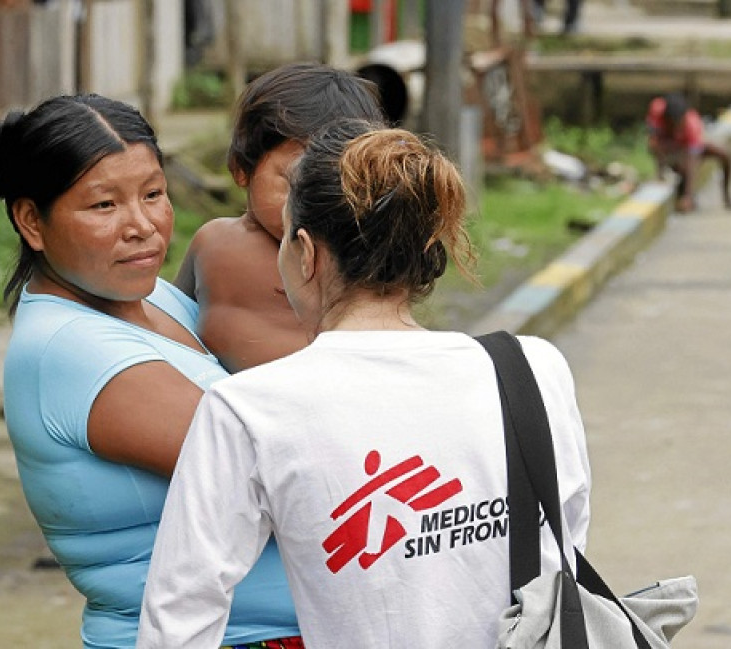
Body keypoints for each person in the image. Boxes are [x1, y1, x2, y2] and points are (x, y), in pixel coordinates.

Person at [137, 120, 592, 648]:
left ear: (306, 252)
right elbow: (565, 555)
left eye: (284, 238)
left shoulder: (250, 409)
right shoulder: (531, 370)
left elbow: (180, 617)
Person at [0, 94, 300, 649]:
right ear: (31, 221)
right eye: (103, 206)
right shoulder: (72, 350)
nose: (142, 226)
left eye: (153, 194)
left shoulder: (152, 297)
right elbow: (278, 470)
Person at [173, 62, 386, 373]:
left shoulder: (359, 258)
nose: (312, 203)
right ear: (241, 169)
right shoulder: (215, 243)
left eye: (339, 184)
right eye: (295, 182)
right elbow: (167, 318)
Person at [646, 92, 731, 213]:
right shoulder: (657, 109)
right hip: (669, 145)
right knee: (653, 144)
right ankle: (662, 174)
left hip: (688, 148)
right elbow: (652, 137)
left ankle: (727, 197)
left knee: (725, 153)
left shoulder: (691, 123)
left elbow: (693, 158)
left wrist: (688, 195)